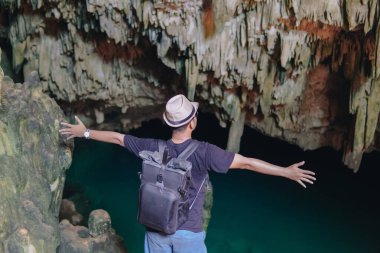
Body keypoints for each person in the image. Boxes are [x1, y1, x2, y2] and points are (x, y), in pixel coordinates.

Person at [59, 94, 316, 253]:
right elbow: (247, 163)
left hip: (155, 231)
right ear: (192, 122)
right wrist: (286, 172)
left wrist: (85, 133)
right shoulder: (205, 153)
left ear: (168, 123)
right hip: (188, 236)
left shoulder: (152, 146)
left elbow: (117, 138)